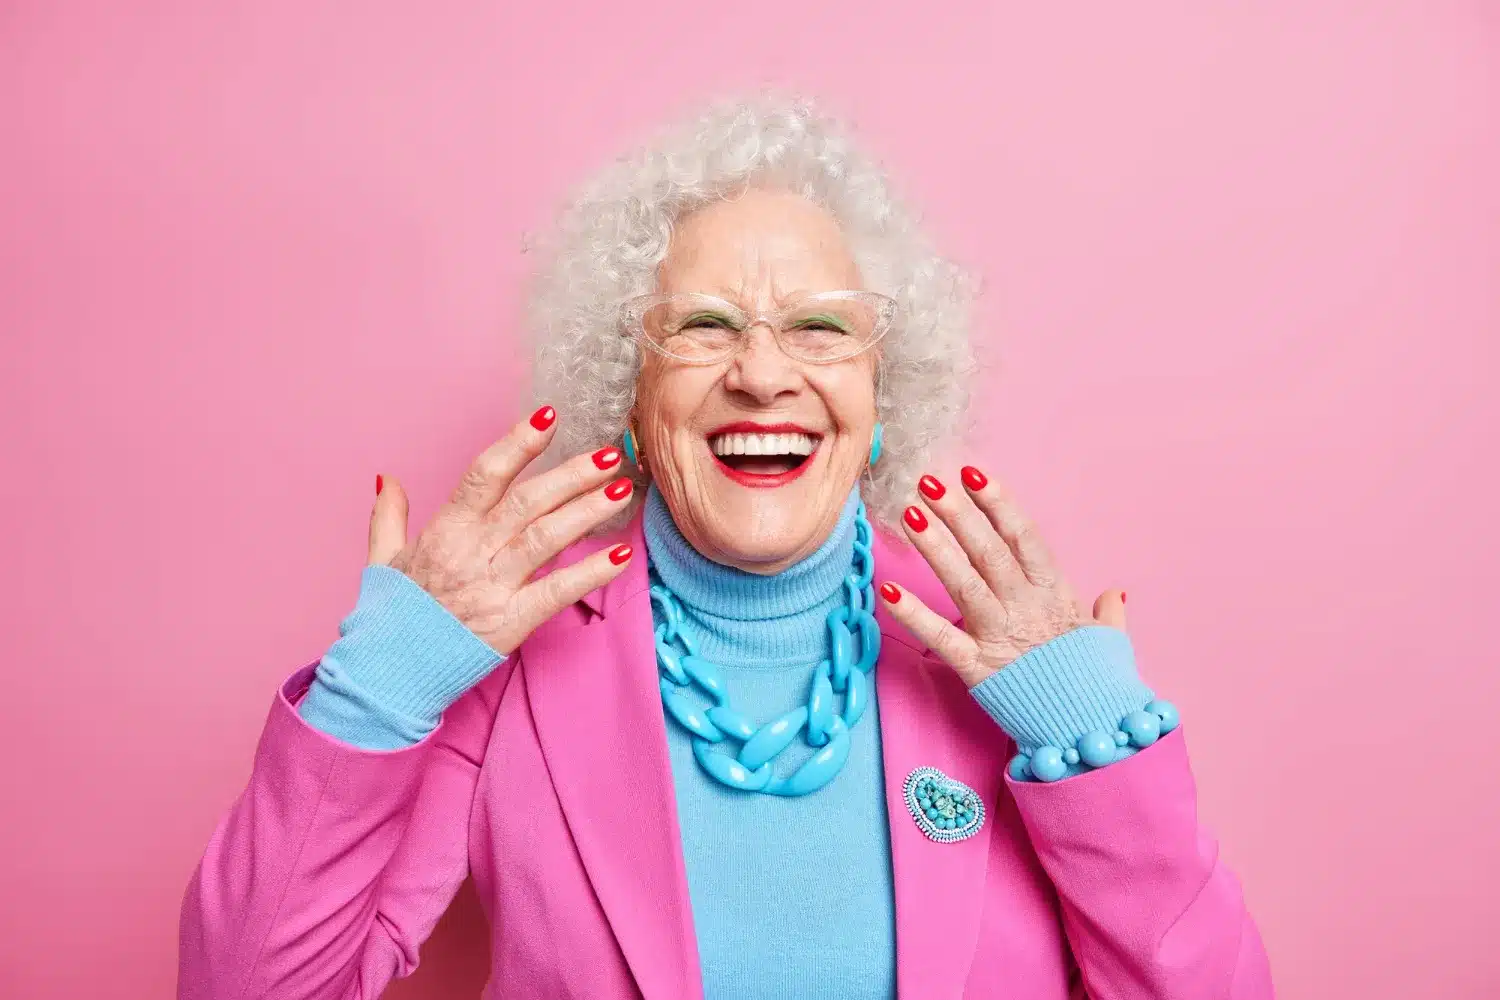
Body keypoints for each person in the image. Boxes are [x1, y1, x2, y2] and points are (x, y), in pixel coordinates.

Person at [179, 94, 1273, 1000]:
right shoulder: (504, 658)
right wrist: (381, 677)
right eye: (703, 326)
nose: (760, 372)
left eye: (820, 327)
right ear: (631, 385)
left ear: (880, 390)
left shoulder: (1004, 664)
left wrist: (1087, 736)